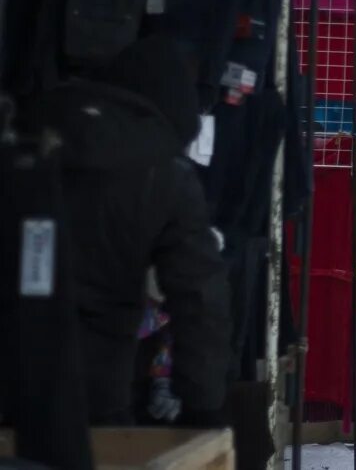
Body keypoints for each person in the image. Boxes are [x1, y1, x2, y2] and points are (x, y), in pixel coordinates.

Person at [23, 35, 231, 426]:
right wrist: (202, 405)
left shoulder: (24, 131)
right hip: (96, 379)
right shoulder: (164, 174)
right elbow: (199, 296)